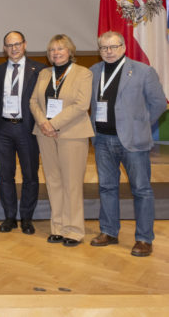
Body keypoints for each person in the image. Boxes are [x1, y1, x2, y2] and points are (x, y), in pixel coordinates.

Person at [89, 31, 167, 257]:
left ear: (123, 47)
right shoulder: (94, 72)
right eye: (104, 48)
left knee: (141, 190)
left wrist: (140, 124)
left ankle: (144, 239)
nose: (109, 51)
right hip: (102, 140)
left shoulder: (143, 71)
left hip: (133, 142)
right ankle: (109, 231)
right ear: (99, 49)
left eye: (113, 47)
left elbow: (159, 104)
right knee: (107, 188)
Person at [29, 34, 93, 247]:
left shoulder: (83, 73)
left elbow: (81, 105)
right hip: (45, 134)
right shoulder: (44, 73)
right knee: (53, 181)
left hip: (71, 134)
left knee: (72, 184)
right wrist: (43, 123)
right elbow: (33, 101)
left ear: (70, 51)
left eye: (60, 49)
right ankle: (58, 227)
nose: (55, 53)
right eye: (52, 50)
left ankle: (74, 230)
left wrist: (53, 123)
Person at [0, 31, 43, 234]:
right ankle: (10, 216)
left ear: (25, 44)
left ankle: (27, 217)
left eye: (17, 44)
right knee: (5, 175)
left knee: (30, 175)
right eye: (9, 45)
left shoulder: (39, 70)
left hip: (27, 129)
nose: (14, 48)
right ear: (4, 48)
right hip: (3, 129)